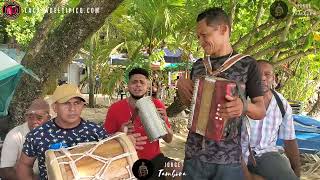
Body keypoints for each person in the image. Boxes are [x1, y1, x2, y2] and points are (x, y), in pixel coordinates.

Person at [168, 7, 266, 180]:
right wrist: (181, 87)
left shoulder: (248, 64)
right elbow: (188, 104)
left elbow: (260, 110)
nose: (201, 41)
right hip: (194, 156)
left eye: (204, 35)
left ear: (223, 29)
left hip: (228, 159)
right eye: (198, 37)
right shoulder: (199, 65)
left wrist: (243, 106)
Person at [15, 84, 111, 180]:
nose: (72, 109)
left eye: (77, 103)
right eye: (66, 103)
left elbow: (113, 160)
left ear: (83, 106)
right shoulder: (39, 135)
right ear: (55, 107)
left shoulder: (96, 132)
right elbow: (24, 165)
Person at [104, 68, 181, 179]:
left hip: (154, 159)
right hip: (125, 160)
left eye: (142, 82)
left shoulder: (157, 104)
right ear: (128, 85)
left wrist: (164, 123)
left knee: (178, 169)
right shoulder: (115, 108)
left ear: (147, 86)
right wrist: (121, 133)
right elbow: (106, 142)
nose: (138, 85)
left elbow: (168, 140)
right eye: (134, 82)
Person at [242, 60, 301, 180]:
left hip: (266, 155)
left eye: (267, 74)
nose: (262, 78)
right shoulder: (240, 99)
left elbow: (290, 141)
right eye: (257, 74)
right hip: (237, 156)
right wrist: (249, 176)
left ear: (273, 78)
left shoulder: (281, 104)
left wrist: (296, 174)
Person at [0, 98, 50, 179]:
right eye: (30, 117)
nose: (34, 121)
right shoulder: (14, 135)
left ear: (48, 118)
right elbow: (5, 170)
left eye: (39, 118)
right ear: (26, 117)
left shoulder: (54, 133)